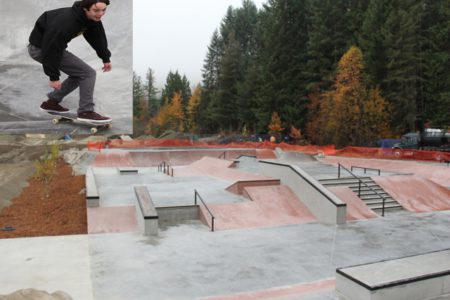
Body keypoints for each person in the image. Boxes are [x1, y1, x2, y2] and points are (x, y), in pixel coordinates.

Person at [28, 0, 112, 123]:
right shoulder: (67, 22)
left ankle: (51, 102)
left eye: (103, 10)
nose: (100, 14)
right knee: (88, 73)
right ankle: (86, 112)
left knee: (80, 74)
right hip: (42, 49)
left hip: (52, 47)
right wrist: (53, 76)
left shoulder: (91, 19)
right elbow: (51, 47)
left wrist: (105, 58)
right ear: (85, 8)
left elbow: (97, 37)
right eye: (96, 10)